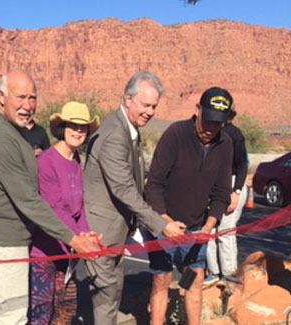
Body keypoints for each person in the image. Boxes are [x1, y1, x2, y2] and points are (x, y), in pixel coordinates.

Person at [0, 70, 100, 324]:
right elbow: (29, 200)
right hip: (3, 242)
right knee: (13, 316)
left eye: (33, 98)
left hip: (11, 238)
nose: (28, 105)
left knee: (2, 312)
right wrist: (73, 238)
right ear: (1, 96)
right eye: (20, 97)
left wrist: (79, 234)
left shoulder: (8, 129)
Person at [83, 71, 186, 325]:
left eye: (154, 106)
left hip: (116, 230)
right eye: (146, 105)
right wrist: (162, 225)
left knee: (112, 292)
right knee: (107, 297)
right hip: (102, 231)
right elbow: (124, 189)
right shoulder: (115, 134)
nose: (150, 112)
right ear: (128, 99)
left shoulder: (129, 129)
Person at [144, 87, 234, 325]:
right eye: (208, 120)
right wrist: (165, 222)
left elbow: (221, 192)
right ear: (197, 110)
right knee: (161, 281)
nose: (210, 128)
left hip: (197, 227)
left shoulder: (225, 144)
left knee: (194, 281)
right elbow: (153, 185)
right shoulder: (176, 134)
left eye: (218, 123)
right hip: (163, 224)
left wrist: (209, 226)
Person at [29, 101, 99, 324]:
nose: (78, 131)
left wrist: (87, 234)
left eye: (82, 127)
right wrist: (79, 239)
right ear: (62, 127)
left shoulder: (77, 160)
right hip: (45, 253)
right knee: (41, 312)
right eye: (72, 125)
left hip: (68, 249)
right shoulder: (47, 161)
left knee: (66, 309)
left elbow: (78, 207)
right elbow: (55, 208)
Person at [205, 108, 249, 286]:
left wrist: (236, 191)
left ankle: (229, 272)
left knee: (225, 230)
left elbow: (242, 166)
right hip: (213, 183)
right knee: (209, 229)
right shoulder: (210, 134)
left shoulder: (233, 135)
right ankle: (214, 271)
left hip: (231, 183)